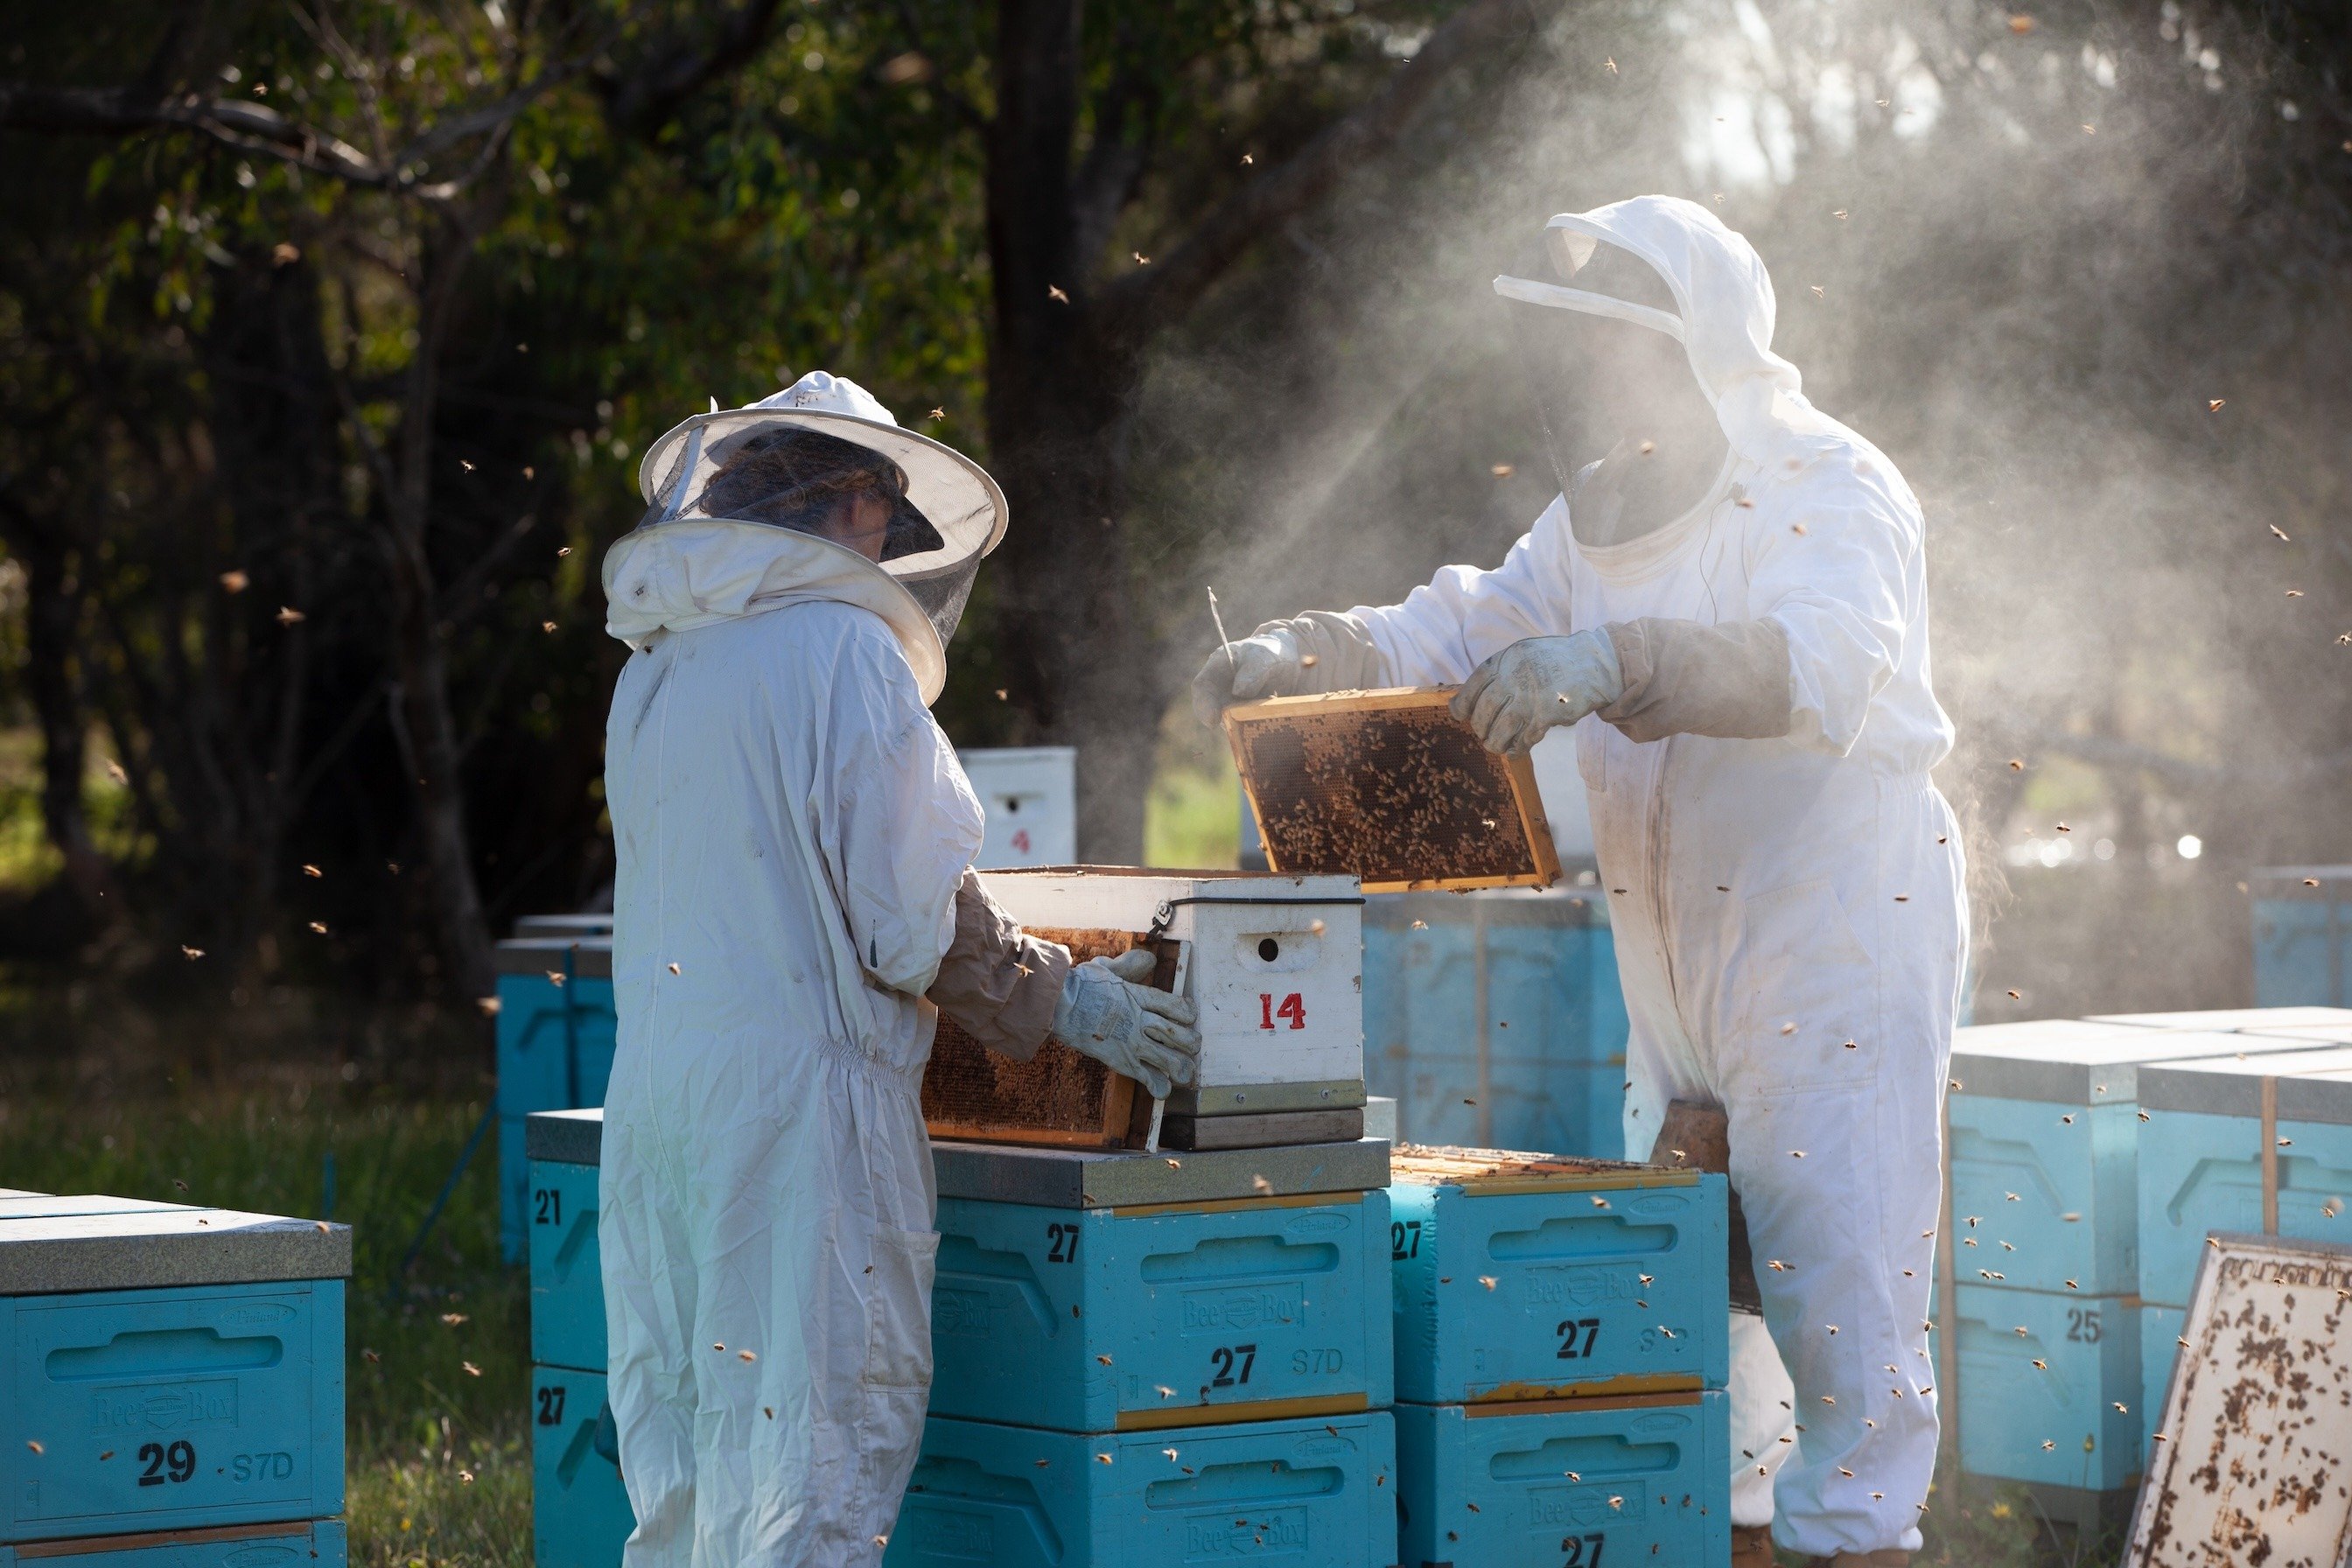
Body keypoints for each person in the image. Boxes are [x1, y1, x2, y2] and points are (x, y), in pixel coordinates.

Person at [1192, 196, 1963, 1568]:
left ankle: (1857, 1541)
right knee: (1691, 1296)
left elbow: (1826, 662)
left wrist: (1618, 664)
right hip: (1673, 958)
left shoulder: (1825, 483)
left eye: (1611, 349)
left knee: (1841, 1312)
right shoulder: (1588, 517)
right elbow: (1455, 626)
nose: (1589, 383)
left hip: (1833, 935)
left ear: (1691, 349)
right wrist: (1302, 651)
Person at [599, 371, 1201, 1567]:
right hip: (799, 1127)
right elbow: (910, 925)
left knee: (687, 1474)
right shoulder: (842, 654)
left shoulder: (656, 674)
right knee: (813, 1468)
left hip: (658, 1113)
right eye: (879, 506)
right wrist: (1064, 996)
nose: (891, 536)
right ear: (842, 505)